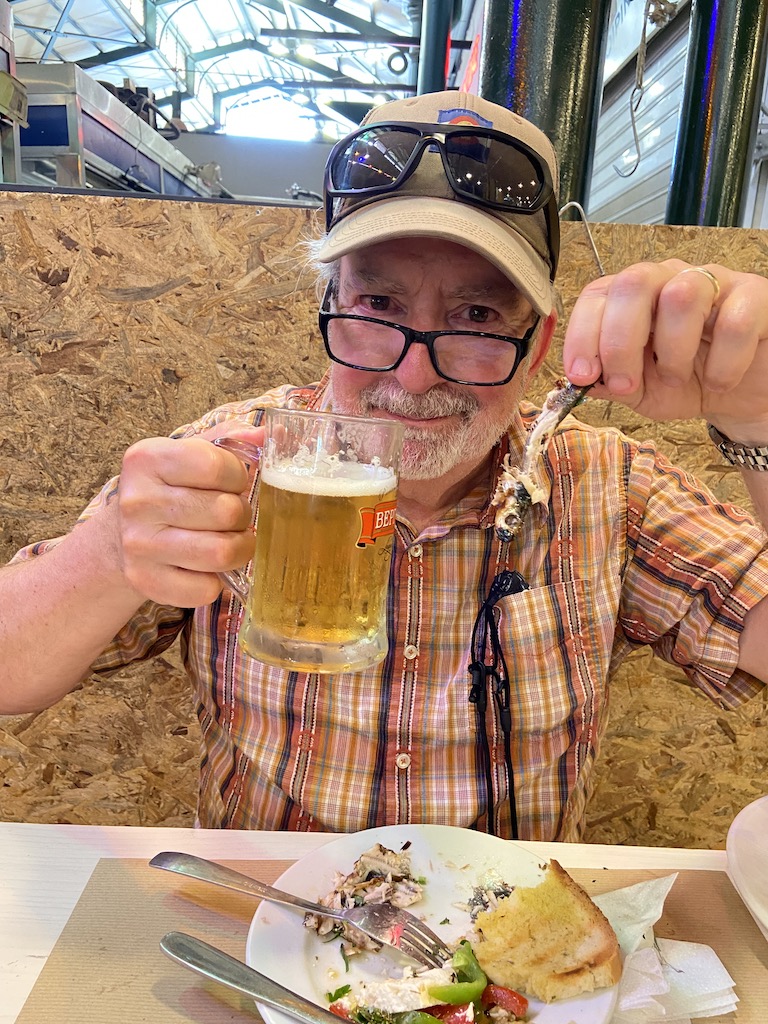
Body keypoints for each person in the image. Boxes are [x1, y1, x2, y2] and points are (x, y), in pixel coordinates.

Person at [2, 91, 767, 842]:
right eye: (376, 306)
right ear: (326, 307)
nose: (414, 380)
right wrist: (106, 551)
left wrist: (760, 416)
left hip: (502, 941)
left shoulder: (609, 484)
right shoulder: (231, 461)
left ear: (538, 348)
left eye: (476, 317)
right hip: (265, 929)